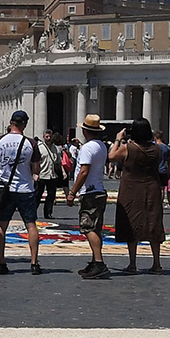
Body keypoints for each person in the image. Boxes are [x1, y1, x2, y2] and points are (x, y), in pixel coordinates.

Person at [108, 116, 166, 274]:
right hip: (152, 188)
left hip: (131, 188)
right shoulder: (157, 149)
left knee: (131, 224)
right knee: (153, 224)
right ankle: (156, 263)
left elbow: (112, 156)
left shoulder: (128, 148)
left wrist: (117, 140)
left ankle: (132, 263)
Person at [0, 109, 43, 274]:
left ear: (11, 123)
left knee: (1, 225)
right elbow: (36, 168)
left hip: (5, 190)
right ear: (24, 124)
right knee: (31, 224)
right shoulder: (30, 143)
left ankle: (2, 263)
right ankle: (34, 263)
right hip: (25, 188)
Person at [68, 114, 114, 280]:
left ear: (85, 130)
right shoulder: (101, 146)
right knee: (96, 228)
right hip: (99, 190)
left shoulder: (88, 148)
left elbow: (84, 171)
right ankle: (95, 261)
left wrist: (73, 192)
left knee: (88, 228)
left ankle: (99, 263)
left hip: (90, 192)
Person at [35, 128, 64, 218]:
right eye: (47, 136)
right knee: (37, 195)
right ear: (43, 137)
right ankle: (32, 212)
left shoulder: (56, 148)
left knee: (51, 195)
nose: (48, 138)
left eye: (50, 136)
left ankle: (48, 213)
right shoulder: (39, 147)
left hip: (52, 175)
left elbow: (58, 161)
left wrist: (63, 172)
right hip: (42, 175)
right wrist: (35, 173)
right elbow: (35, 162)